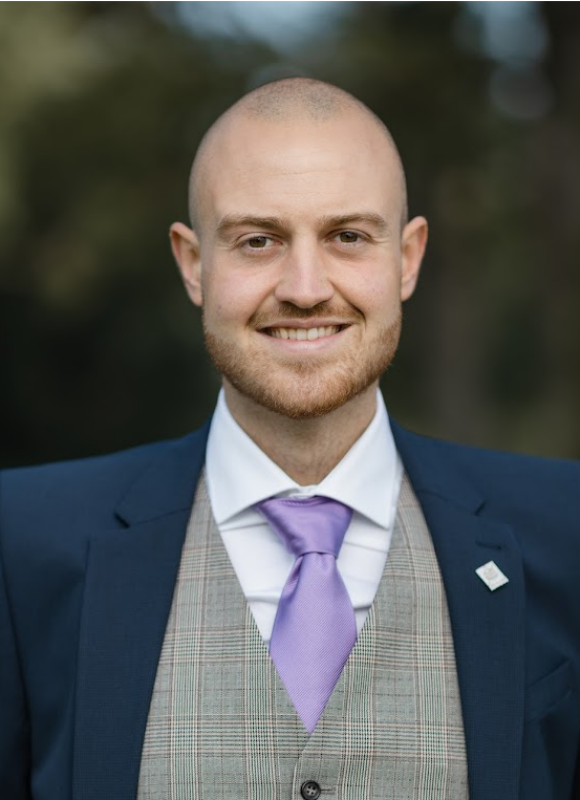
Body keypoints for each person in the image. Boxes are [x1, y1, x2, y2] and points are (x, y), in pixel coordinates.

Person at [1, 77, 579, 800]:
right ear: (193, 264)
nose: (305, 289)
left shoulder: (565, 529)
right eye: (258, 241)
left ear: (406, 258)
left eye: (347, 237)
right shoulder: (21, 542)